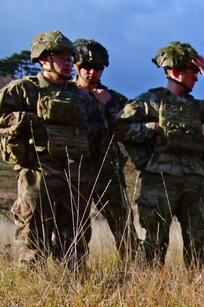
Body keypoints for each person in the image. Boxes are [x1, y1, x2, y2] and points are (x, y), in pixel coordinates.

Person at [0, 31, 105, 270]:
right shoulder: (24, 89)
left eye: (70, 57)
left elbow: (101, 128)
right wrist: (23, 120)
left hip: (76, 176)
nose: (68, 62)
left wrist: (86, 131)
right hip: (38, 173)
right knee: (33, 238)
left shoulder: (81, 96)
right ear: (43, 60)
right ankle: (33, 293)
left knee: (75, 242)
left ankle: (73, 291)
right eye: (61, 57)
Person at [114, 42, 204, 270]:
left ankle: (196, 285)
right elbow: (119, 126)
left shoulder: (195, 107)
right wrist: (152, 128)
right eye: (193, 73)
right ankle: (148, 288)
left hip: (193, 181)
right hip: (159, 180)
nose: (196, 79)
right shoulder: (151, 100)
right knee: (155, 239)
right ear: (176, 72)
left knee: (198, 238)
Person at [73, 38, 139, 262]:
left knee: (122, 224)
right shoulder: (66, 95)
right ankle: (75, 271)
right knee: (75, 225)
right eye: (86, 67)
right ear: (76, 66)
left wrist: (110, 106)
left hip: (108, 171)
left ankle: (136, 270)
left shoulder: (115, 99)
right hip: (75, 169)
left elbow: (133, 126)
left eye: (98, 68)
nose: (92, 72)